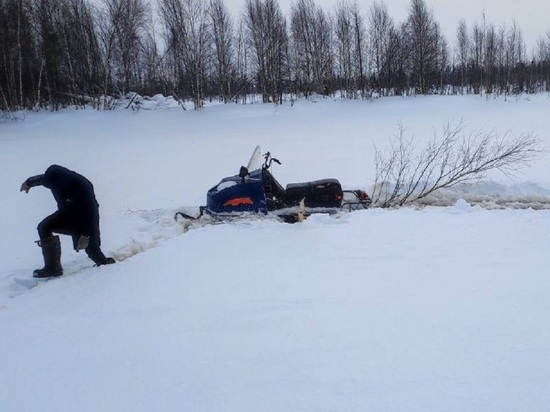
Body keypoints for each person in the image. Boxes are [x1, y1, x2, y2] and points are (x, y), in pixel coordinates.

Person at [20, 165, 115, 278]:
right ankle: (53, 268)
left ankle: (106, 265)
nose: (52, 187)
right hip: (66, 214)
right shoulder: (52, 178)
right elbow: (41, 179)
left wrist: (85, 236)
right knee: (44, 227)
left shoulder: (82, 186)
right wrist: (28, 182)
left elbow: (91, 212)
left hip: (86, 218)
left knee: (92, 250)